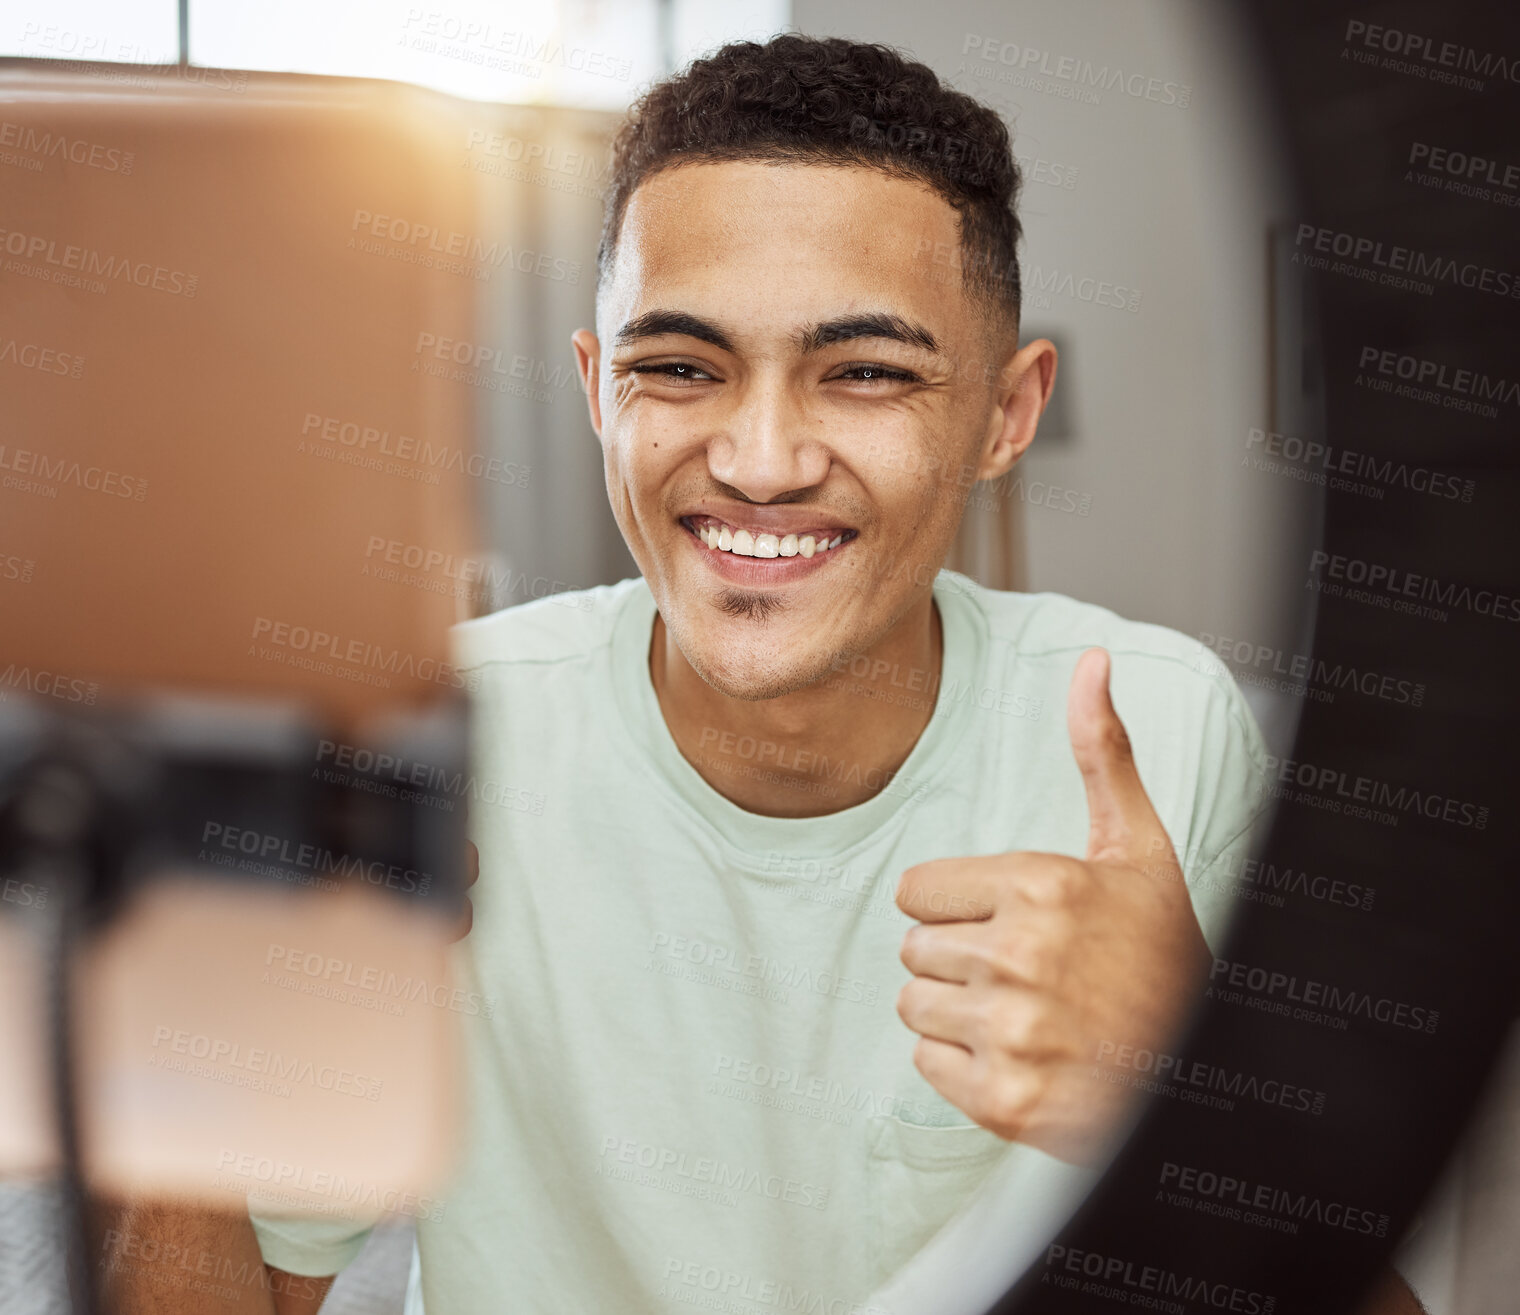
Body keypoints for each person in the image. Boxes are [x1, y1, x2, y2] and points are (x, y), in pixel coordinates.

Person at [113, 33, 1422, 1315]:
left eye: (864, 372)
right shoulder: (430, 738)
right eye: (680, 367)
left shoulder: (1167, 731)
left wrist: (1194, 1097)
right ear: (596, 390)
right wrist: (206, 1033)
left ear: (1006, 414)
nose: (761, 458)